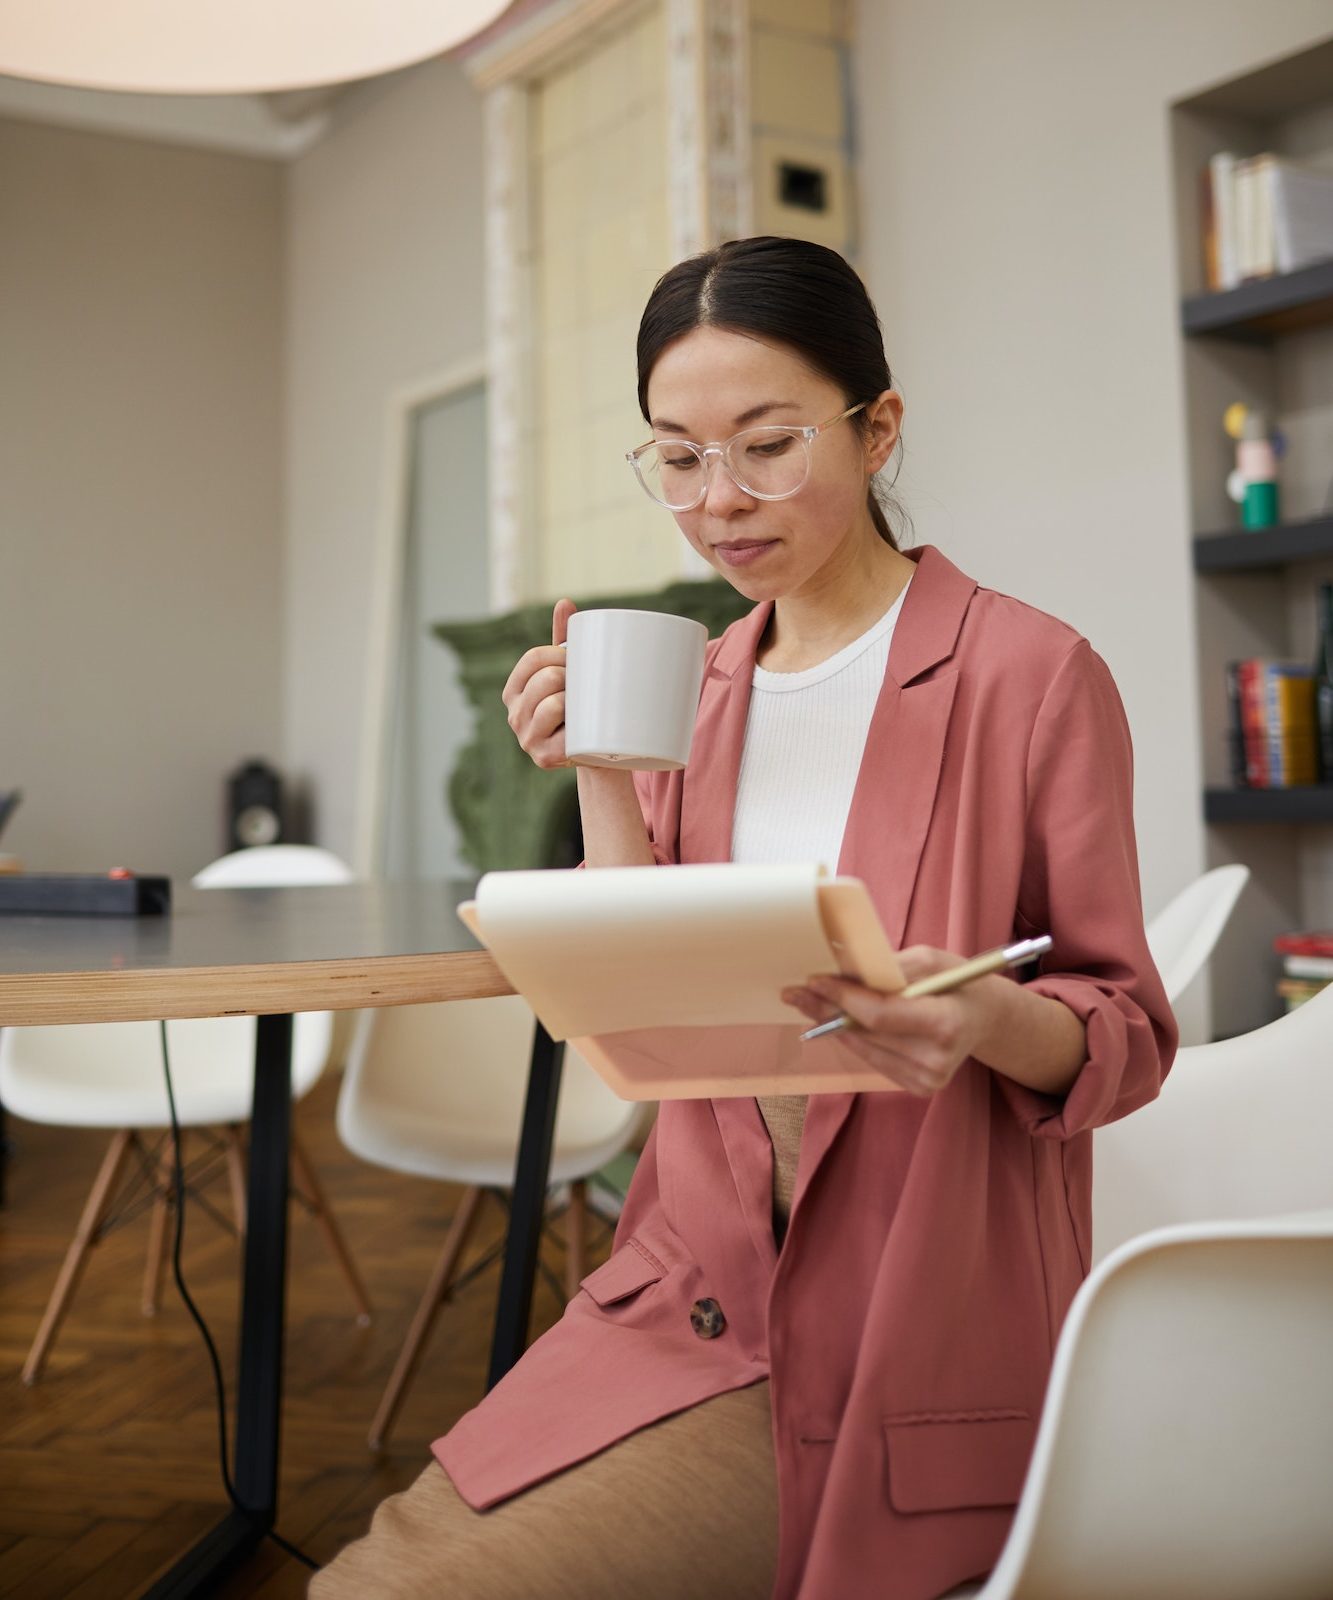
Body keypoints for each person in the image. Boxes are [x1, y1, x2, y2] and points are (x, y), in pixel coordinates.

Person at [312, 235, 1177, 1600]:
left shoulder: (1030, 675)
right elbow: (641, 992)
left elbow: (1124, 1028)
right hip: (688, 1282)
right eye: (676, 455)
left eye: (766, 445)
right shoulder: (700, 684)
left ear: (877, 425)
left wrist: (982, 1015)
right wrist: (600, 770)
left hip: (909, 1306)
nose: (718, 500)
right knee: (376, 1574)